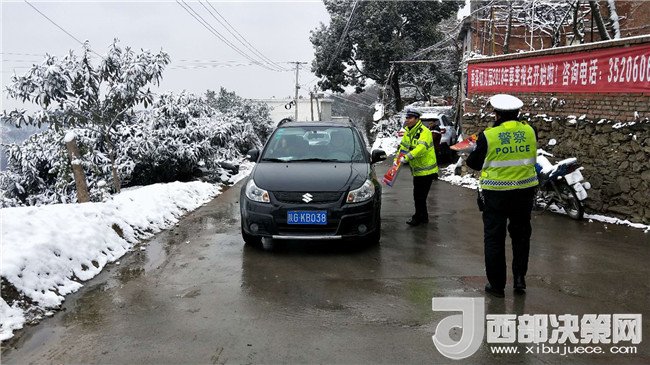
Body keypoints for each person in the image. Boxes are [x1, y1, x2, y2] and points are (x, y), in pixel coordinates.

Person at [466, 94, 538, 298]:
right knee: (521, 236)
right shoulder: (530, 131)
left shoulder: (489, 135)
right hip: (524, 192)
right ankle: (519, 279)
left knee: (494, 238)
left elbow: (474, 163)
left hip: (496, 195)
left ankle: (497, 286)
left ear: (496, 114)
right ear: (518, 113)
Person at [395, 108, 439, 226]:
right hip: (418, 171)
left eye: (410, 118)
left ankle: (418, 218)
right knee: (419, 196)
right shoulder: (409, 132)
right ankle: (423, 217)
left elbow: (421, 148)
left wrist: (408, 157)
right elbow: (403, 148)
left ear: (417, 119)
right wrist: (397, 160)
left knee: (419, 196)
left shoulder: (424, 131)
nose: (407, 120)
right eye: (407, 118)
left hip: (427, 171)